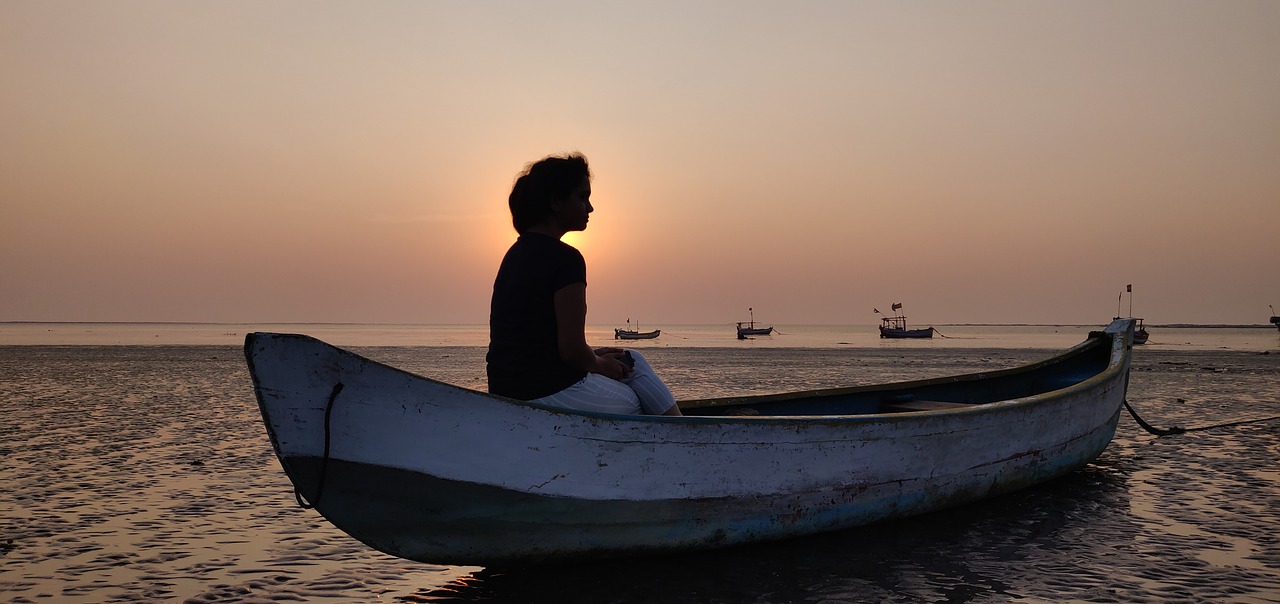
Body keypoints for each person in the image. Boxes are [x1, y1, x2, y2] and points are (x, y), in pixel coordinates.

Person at [486, 153, 681, 416]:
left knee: (629, 358)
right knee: (635, 402)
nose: (590, 208)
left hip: (507, 388)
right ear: (556, 202)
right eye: (582, 197)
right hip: (544, 392)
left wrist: (597, 357)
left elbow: (541, 344)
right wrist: (599, 365)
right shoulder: (566, 259)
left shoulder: (514, 255)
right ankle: (684, 436)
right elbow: (571, 351)